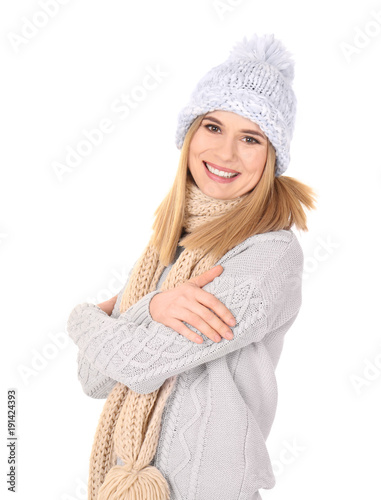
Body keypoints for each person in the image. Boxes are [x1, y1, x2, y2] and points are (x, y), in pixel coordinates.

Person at [66, 33, 317, 500]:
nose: (225, 154)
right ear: (190, 134)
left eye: (250, 138)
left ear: (272, 155)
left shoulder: (269, 256)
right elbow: (94, 378)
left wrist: (85, 319)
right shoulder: (169, 246)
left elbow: (136, 366)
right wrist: (153, 308)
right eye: (214, 127)